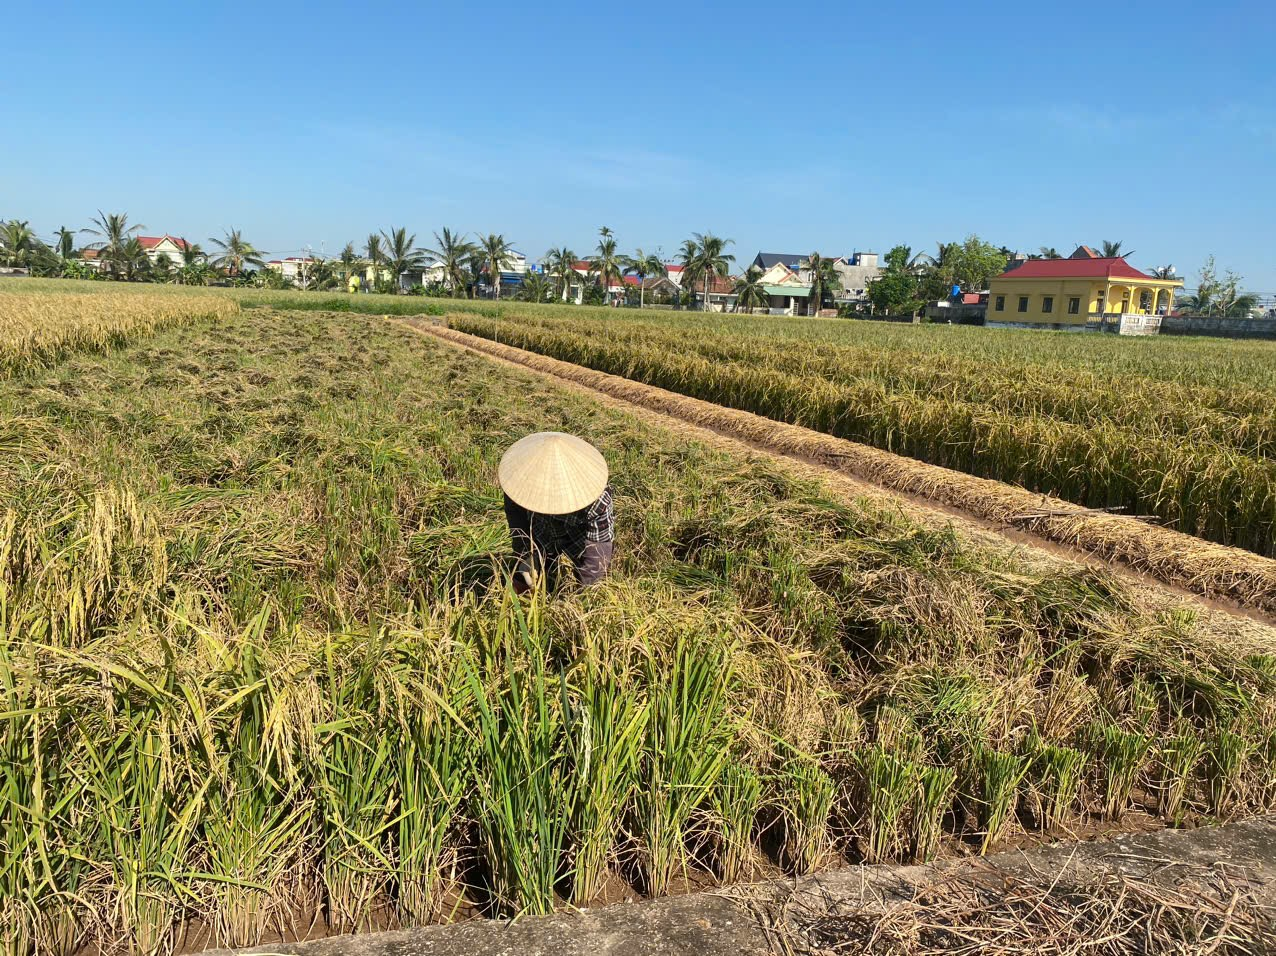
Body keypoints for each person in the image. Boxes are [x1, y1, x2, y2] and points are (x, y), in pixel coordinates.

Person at [498, 432, 614, 593]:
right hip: (540, 530)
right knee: (524, 577)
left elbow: (598, 554)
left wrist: (582, 598)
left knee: (591, 581)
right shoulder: (518, 485)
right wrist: (525, 555)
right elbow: (518, 523)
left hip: (577, 537)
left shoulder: (597, 501)